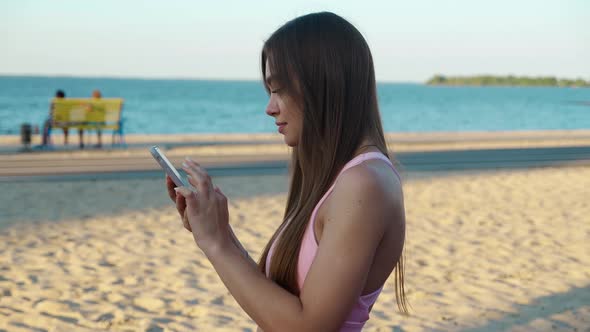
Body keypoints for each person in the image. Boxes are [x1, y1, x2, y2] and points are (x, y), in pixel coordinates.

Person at [167, 12, 407, 331]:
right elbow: (277, 304)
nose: (270, 107)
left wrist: (218, 244)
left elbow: (308, 326)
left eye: (279, 89)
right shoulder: (339, 179)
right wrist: (216, 232)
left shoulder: (365, 184)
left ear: (324, 84)